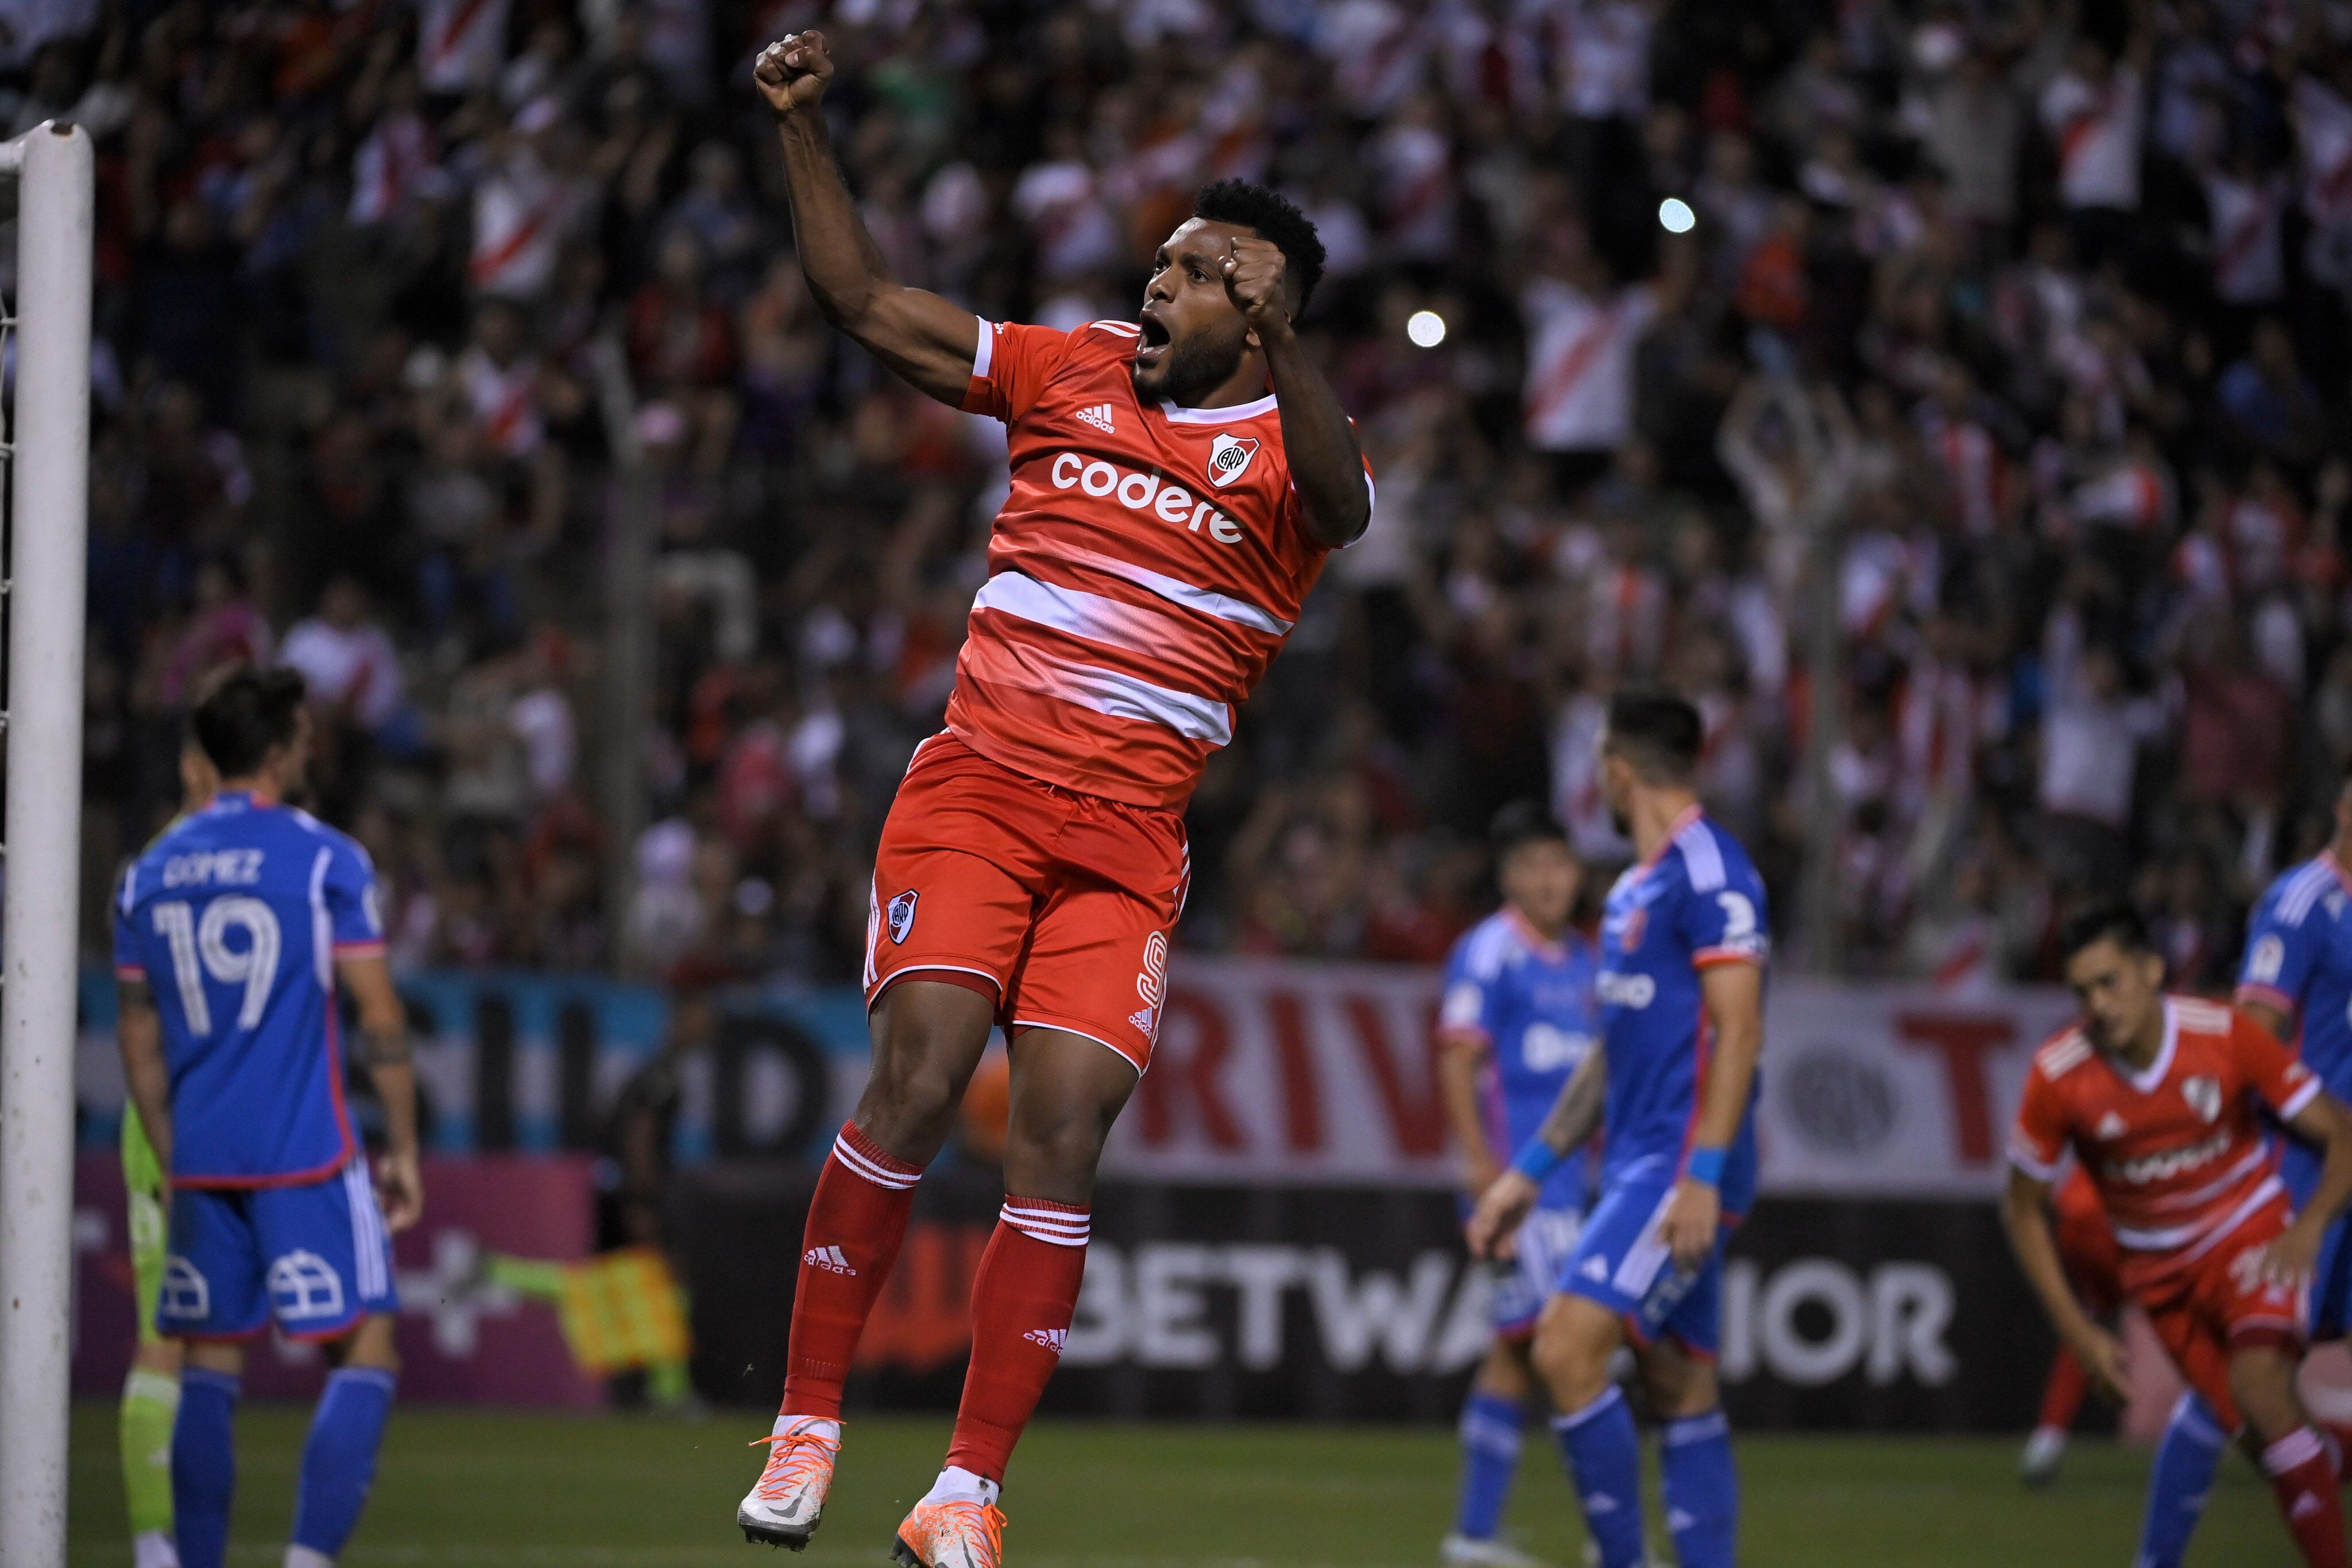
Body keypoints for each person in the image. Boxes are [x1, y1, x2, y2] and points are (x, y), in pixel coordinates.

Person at [736, 30, 1372, 1568]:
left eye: (1200, 270)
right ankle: (808, 1422)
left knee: (1063, 1134)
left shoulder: (1296, 460)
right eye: (1160, 259)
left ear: (1265, 308)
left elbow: (1345, 508)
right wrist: (802, 130)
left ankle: (968, 1489)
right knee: (924, 1074)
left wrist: (1292, 347)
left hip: (1128, 845)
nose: (1158, 282)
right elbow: (863, 304)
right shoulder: (1066, 367)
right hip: (981, 792)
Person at [113, 666, 423, 1568]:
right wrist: (402, 1145)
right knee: (368, 1341)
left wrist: (175, 1154)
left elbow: (138, 1036)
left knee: (209, 1365)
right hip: (307, 1151)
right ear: (283, 749)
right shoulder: (324, 857)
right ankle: (306, 1559)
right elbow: (380, 1017)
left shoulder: (148, 874)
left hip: (204, 1157)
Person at [1467, 688, 1767, 1568]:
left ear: (1618, 771)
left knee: (1564, 1349)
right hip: (1640, 1158)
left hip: (1680, 1167)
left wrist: (1703, 1175)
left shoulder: (1713, 872)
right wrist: (1526, 1173)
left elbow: (1739, 1029)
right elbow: (1611, 1052)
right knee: (1680, 1380)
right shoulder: (1636, 886)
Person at [2003, 900, 2352, 1568]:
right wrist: (2079, 1331)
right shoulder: (2058, 1074)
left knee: (2261, 1389)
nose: (2098, 1005)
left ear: (2152, 970)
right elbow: (2021, 1208)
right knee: (2281, 1450)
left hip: (2249, 1244)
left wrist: (2308, 1227)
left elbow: (2340, 1133)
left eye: (2110, 982)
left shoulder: (2221, 1035)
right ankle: (2329, 1454)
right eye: (2082, 991)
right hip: (2161, 1286)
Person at [1433, 804, 1601, 1568]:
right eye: (1532, 864)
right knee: (1566, 1348)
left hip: (1575, 1187)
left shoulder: (1588, 962)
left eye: (1559, 864)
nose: (1547, 878)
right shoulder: (1491, 949)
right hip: (1516, 1185)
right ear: (1508, 875)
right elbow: (1458, 1057)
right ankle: (1613, 1535)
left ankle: (1474, 1530)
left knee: (1520, 1349)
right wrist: (1478, 1161)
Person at [117, 737, 223, 1568]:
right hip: (174, 1117)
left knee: (200, 1340)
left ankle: (174, 1541)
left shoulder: (220, 851)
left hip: (214, 1115)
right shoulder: (172, 862)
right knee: (170, 1339)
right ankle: (158, 1548)